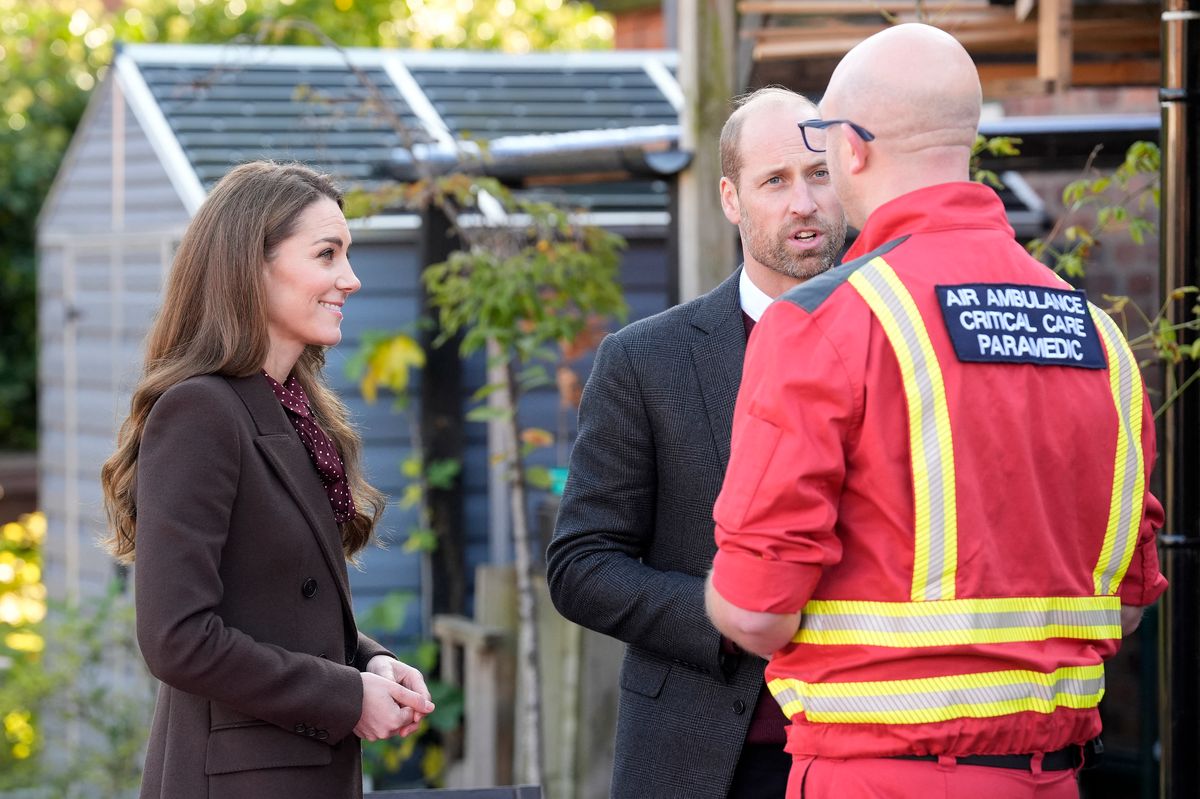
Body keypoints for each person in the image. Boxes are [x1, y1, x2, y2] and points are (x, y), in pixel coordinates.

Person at [705, 23, 1167, 799]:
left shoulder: (825, 322)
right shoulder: (1099, 336)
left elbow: (756, 612)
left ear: (850, 148)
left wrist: (717, 589)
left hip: (878, 775)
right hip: (1054, 777)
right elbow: (1125, 606)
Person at [100, 161, 434, 799]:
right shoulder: (200, 411)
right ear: (252, 265)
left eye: (348, 255)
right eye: (327, 254)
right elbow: (177, 640)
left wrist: (371, 662)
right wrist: (344, 695)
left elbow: (276, 607)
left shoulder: (289, 408)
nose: (351, 279)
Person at [547, 87, 846, 799]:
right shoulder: (645, 360)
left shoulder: (904, 341)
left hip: (868, 748)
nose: (802, 202)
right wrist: (730, 617)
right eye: (775, 180)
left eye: (819, 173)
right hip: (704, 757)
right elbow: (581, 564)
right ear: (731, 198)